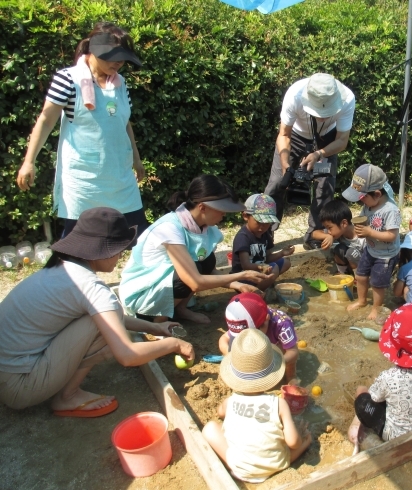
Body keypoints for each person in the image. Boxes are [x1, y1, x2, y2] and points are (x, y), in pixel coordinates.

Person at [0, 208, 194, 415]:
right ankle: (68, 397)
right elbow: (127, 355)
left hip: (9, 373)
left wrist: (156, 328)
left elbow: (113, 315)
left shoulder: (62, 269)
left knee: (102, 318)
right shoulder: (91, 287)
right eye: (120, 249)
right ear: (102, 250)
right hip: (19, 386)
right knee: (102, 327)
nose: (121, 255)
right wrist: (174, 343)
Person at [16, 22, 149, 237]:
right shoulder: (68, 79)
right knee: (77, 243)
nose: (120, 63)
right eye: (114, 57)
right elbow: (46, 120)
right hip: (83, 178)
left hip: (119, 175)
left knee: (137, 236)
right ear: (95, 51)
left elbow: (124, 123)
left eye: (123, 58)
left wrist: (136, 158)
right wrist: (28, 161)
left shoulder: (120, 83)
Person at [119, 175, 270, 324]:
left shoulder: (206, 227)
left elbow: (209, 271)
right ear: (202, 207)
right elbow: (195, 282)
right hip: (143, 293)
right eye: (222, 209)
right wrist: (243, 274)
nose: (225, 214)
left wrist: (239, 284)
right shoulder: (170, 229)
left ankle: (180, 309)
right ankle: (159, 321)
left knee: (205, 261)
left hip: (165, 285)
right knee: (186, 275)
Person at [202, 329, 312, 483]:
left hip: (239, 468)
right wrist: (301, 439)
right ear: (272, 373)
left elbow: (220, 413)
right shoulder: (279, 404)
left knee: (209, 428)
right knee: (295, 446)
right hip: (275, 466)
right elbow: (293, 442)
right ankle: (307, 444)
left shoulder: (229, 402)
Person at [264, 73, 356, 248]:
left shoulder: (347, 99)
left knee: (325, 186)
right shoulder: (295, 94)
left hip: (328, 140)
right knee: (276, 183)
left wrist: (319, 154)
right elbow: (284, 134)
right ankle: (265, 233)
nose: (321, 116)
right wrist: (285, 164)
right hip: (295, 136)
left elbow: (342, 140)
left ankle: (316, 235)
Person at [347, 303, 412, 446]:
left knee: (361, 395)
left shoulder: (388, 378)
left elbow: (374, 398)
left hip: (397, 436)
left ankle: (360, 429)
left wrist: (364, 392)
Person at [342, 164, 401, 320]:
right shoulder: (369, 206)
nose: (361, 202)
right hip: (371, 249)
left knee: (377, 284)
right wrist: (361, 231)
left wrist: (369, 232)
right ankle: (362, 300)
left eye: (362, 198)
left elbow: (391, 236)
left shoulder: (390, 210)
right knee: (360, 276)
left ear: (376, 194)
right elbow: (364, 221)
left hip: (385, 255)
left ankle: (376, 308)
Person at [218, 293, 299, 383]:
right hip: (253, 351)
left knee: (289, 361)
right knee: (236, 348)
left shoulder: (282, 324)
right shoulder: (239, 322)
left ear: (266, 319)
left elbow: (293, 351)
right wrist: (232, 355)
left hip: (275, 348)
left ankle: (291, 377)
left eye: (251, 336)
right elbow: (223, 338)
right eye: (243, 337)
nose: (248, 339)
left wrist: (277, 362)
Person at [230, 194, 295, 291]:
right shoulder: (243, 237)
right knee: (274, 268)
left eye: (266, 223)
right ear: (245, 216)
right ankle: (255, 291)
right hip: (243, 277)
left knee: (285, 262)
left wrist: (281, 253)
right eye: (259, 222)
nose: (262, 227)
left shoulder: (265, 234)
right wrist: (263, 267)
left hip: (261, 269)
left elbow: (267, 258)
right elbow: (245, 265)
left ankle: (265, 283)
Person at [312, 200, 364, 274]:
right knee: (339, 249)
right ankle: (343, 273)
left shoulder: (362, 236)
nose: (329, 231)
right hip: (353, 263)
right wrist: (327, 236)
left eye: (329, 228)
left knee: (351, 253)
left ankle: (359, 277)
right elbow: (314, 233)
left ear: (344, 223)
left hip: (366, 267)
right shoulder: (340, 232)